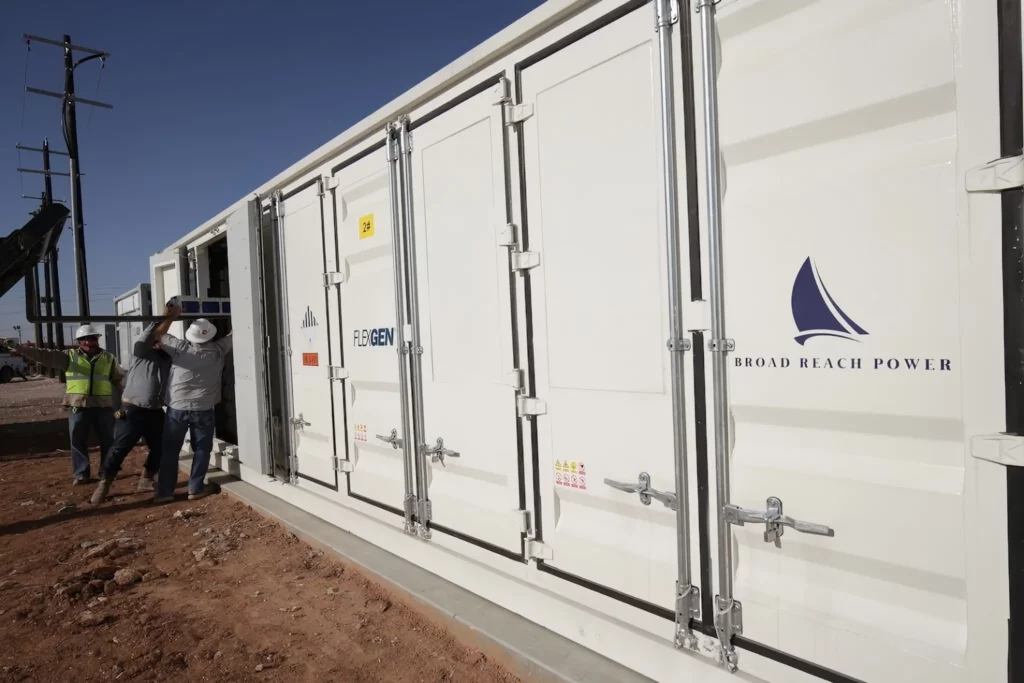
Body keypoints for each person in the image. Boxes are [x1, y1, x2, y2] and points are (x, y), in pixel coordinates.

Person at [18, 325, 125, 485]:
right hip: (77, 405)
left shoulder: (109, 358)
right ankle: (81, 474)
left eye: (92, 338)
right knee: (77, 440)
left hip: (103, 406)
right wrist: (19, 348)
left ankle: (107, 471)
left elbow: (118, 380)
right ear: (79, 341)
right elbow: (44, 355)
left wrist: (124, 402)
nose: (88, 342)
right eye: (84, 339)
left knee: (108, 440)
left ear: (97, 339)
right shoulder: (69, 356)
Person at [90, 314, 174, 505]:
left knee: (161, 446)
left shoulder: (168, 358)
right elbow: (145, 338)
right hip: (132, 410)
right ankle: (104, 483)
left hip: (155, 410)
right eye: (157, 340)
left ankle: (147, 478)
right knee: (120, 447)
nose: (159, 343)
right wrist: (164, 317)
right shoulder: (141, 353)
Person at [153, 305, 232, 503]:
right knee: (202, 449)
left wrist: (170, 317)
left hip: (177, 409)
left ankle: (165, 492)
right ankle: (195, 488)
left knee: (170, 451)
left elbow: (158, 334)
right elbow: (234, 335)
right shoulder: (218, 350)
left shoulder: (179, 348)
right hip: (204, 409)